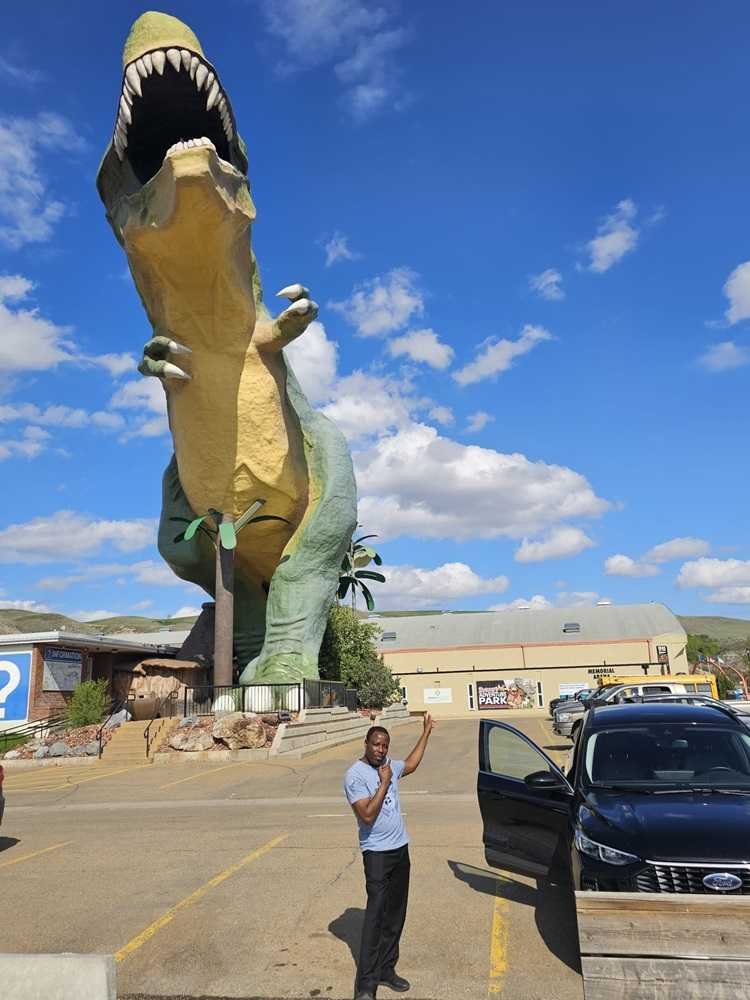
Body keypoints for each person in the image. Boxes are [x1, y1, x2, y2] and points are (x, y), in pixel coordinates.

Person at [343, 713, 434, 1000]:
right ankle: (366, 985)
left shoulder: (390, 765)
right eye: (376, 744)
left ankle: (386, 970)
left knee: (395, 915)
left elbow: (411, 763)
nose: (381, 750)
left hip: (400, 850)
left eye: (385, 746)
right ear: (366, 744)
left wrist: (426, 733)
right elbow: (367, 816)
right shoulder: (355, 775)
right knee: (375, 918)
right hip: (377, 855)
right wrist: (383, 783)